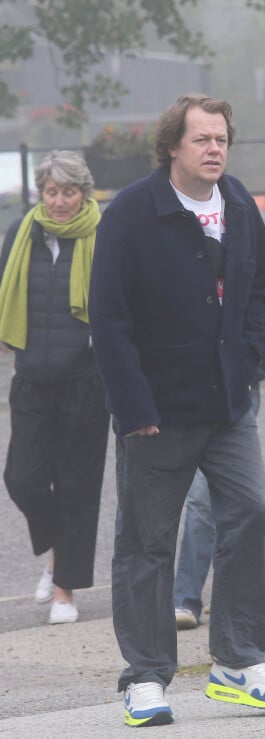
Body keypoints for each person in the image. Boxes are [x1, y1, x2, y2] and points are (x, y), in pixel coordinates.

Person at [88, 93, 265, 728]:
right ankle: (147, 678)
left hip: (228, 407)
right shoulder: (131, 213)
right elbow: (109, 319)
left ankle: (236, 662)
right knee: (148, 543)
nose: (215, 149)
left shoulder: (237, 203)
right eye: (202, 139)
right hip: (156, 412)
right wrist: (133, 408)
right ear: (172, 147)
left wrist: (251, 364)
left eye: (222, 139)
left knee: (251, 514)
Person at [0, 150, 110, 626]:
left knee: (77, 487)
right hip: (32, 378)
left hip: (86, 381)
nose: (59, 201)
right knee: (20, 476)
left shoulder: (104, 235)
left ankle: (64, 588)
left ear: (83, 194)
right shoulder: (21, 234)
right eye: (51, 191)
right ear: (40, 193)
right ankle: (56, 552)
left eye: (68, 192)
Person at [174, 271, 265, 630]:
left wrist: (251, 367)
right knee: (184, 500)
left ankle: (188, 599)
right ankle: (184, 598)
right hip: (178, 392)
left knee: (211, 499)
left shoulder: (240, 236)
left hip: (234, 393)